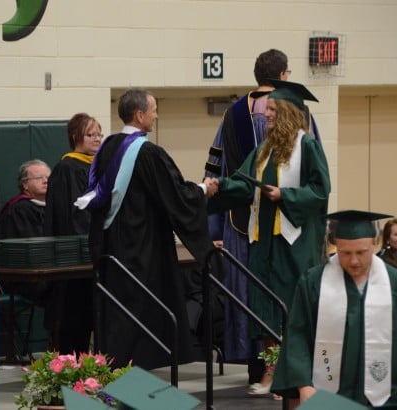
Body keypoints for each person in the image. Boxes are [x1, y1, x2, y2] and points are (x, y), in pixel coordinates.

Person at [77, 87, 218, 370]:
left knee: (118, 307)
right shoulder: (147, 152)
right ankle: (138, 364)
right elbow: (175, 194)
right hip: (142, 244)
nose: (156, 115)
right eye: (154, 110)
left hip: (111, 244)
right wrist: (203, 189)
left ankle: (114, 366)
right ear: (140, 115)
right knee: (141, 305)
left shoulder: (108, 147)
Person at [204, 49, 322, 384]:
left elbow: (218, 162)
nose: (267, 114)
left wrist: (213, 223)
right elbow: (243, 180)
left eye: (272, 111)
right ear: (283, 74)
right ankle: (280, 370)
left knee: (255, 292)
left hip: (249, 224)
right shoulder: (296, 120)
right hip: (278, 227)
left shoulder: (233, 113)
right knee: (278, 295)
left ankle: (263, 368)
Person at [272, 210, 397, 407]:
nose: (354, 260)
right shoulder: (314, 283)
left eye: (361, 252)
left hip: (387, 398)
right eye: (345, 253)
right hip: (327, 397)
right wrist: (303, 385)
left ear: (375, 243)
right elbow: (298, 335)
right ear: (336, 246)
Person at [43, 113, 102, 354]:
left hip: (97, 253)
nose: (97, 139)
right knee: (74, 315)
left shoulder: (100, 166)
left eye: (99, 134)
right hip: (76, 256)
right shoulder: (67, 168)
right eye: (91, 134)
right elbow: (71, 215)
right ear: (75, 136)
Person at [0, 159, 50, 238]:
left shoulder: (54, 206)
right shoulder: (20, 209)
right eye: (39, 178)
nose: (45, 181)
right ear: (25, 184)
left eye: (48, 177)